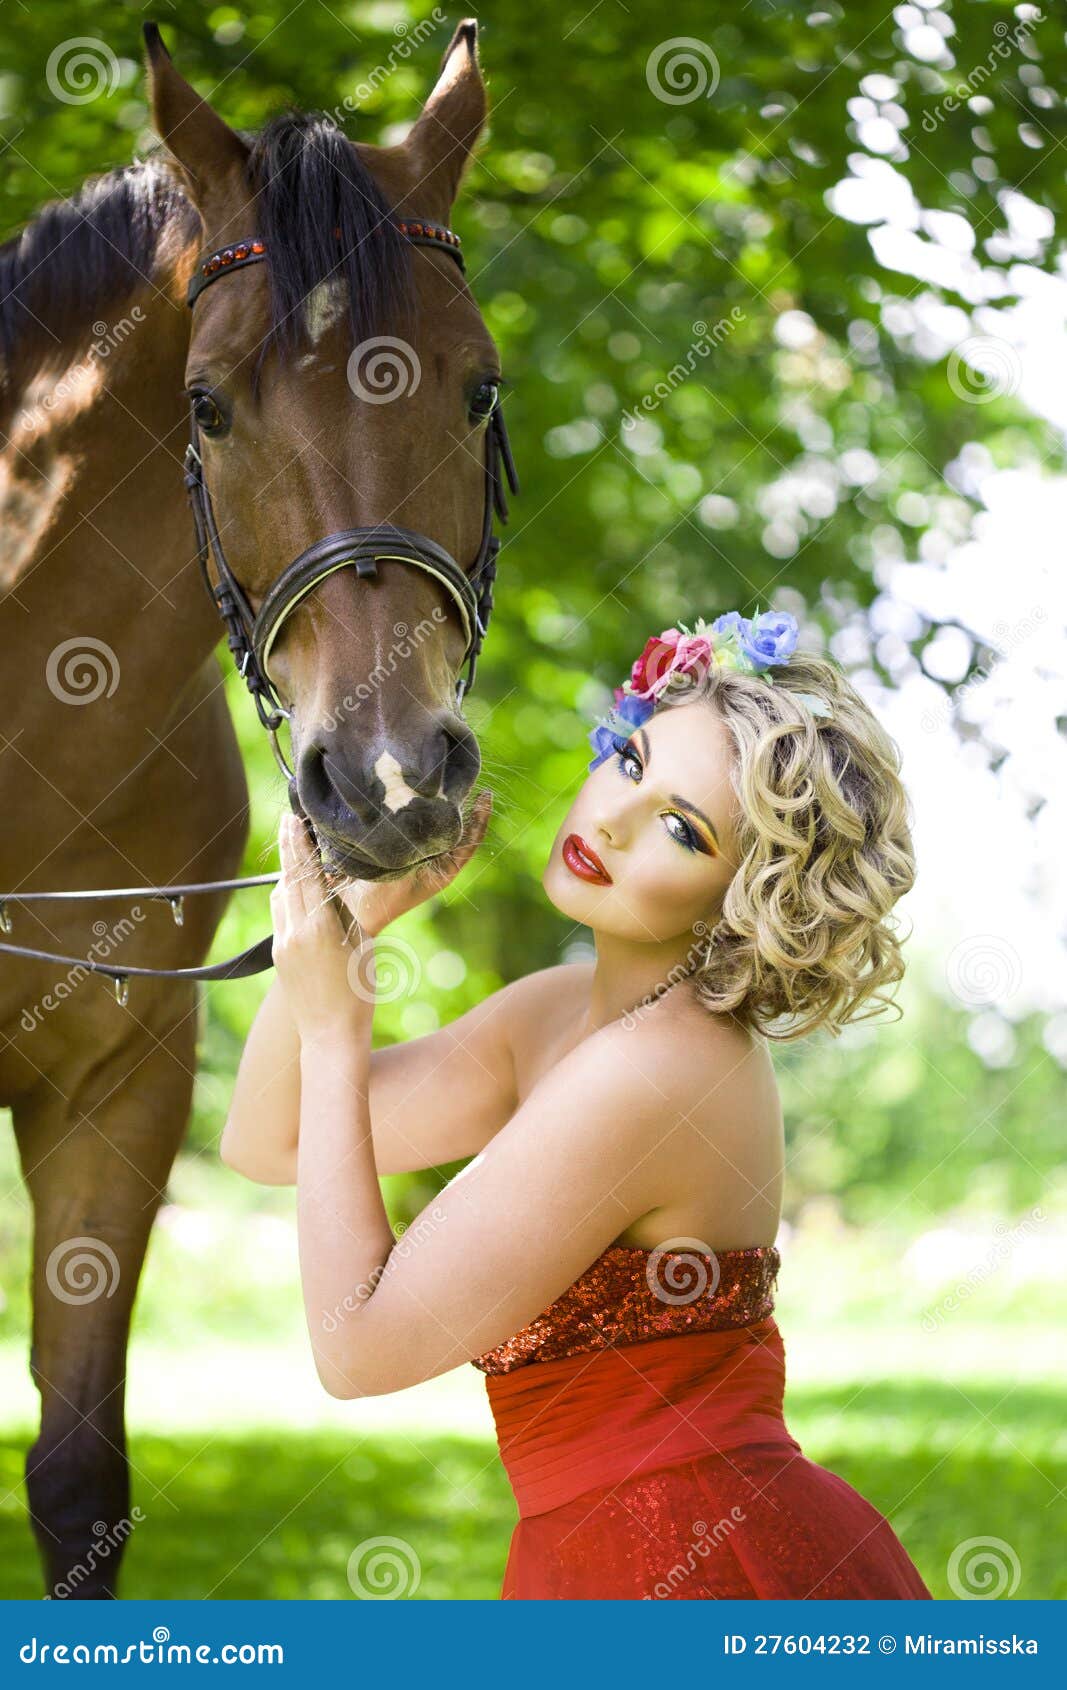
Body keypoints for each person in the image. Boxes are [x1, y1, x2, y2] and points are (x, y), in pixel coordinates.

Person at [220, 606, 932, 1600]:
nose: (610, 819)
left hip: (693, 1564)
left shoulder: (659, 1068)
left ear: (742, 896)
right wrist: (350, 924)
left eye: (680, 829)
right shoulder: (564, 1011)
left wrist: (340, 1026)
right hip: (592, 1551)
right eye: (631, 763)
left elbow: (356, 1348)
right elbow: (270, 1137)